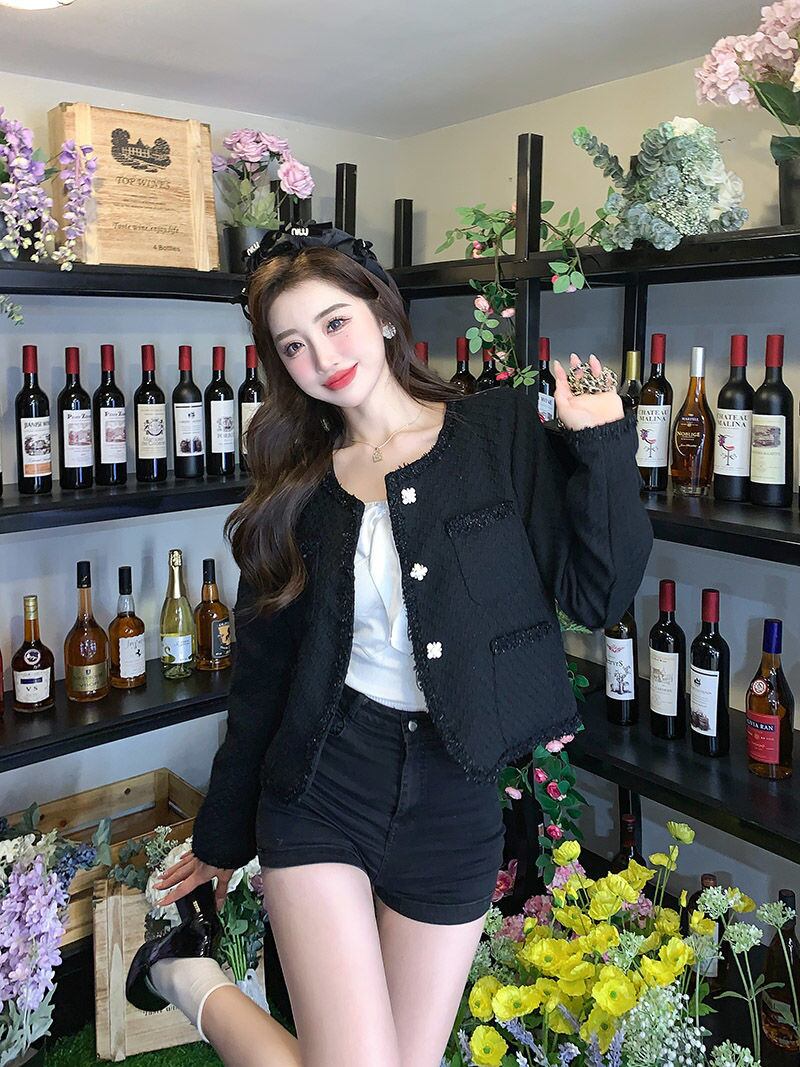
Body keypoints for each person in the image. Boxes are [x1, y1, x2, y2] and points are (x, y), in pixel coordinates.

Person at [125, 222, 653, 1067]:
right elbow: (262, 681)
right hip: (324, 782)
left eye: (334, 322)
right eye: (293, 344)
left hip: (455, 795)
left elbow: (599, 593)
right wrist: (222, 835)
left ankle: (185, 973)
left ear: (381, 314)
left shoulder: (497, 433)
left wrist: (601, 441)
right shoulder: (295, 487)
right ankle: (192, 981)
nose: (322, 356)